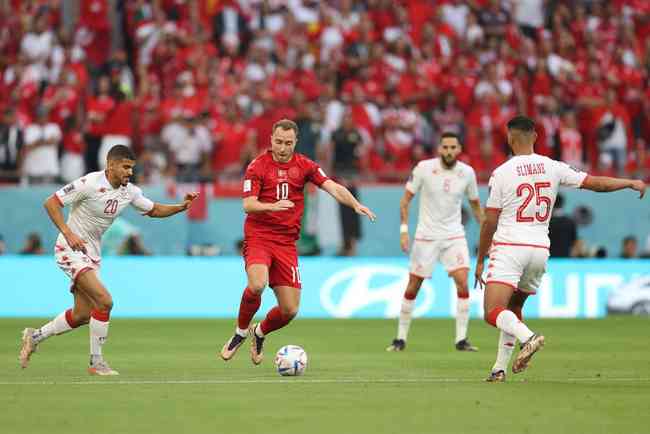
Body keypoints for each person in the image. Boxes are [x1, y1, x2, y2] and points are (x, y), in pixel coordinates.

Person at [475, 116, 646, 383]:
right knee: (514, 308)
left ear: (509, 138)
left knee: (493, 311)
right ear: (535, 137)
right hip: (540, 249)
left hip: (510, 247)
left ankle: (528, 338)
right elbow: (594, 183)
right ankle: (499, 369)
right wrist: (628, 182)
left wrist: (479, 258)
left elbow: (490, 220)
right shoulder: (552, 166)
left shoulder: (502, 173)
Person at [19, 145, 199, 375]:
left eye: (131, 168)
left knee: (82, 314)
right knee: (105, 301)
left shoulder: (129, 191)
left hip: (92, 254)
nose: (129, 172)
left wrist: (181, 207)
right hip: (69, 249)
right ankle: (96, 362)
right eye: (125, 167)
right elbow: (51, 203)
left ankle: (34, 336)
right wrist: (68, 232)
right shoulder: (89, 183)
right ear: (110, 165)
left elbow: (153, 209)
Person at [220, 119, 376, 365]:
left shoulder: (305, 165)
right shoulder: (257, 166)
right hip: (259, 235)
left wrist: (355, 204)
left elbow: (332, 187)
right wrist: (272, 206)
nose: (283, 148)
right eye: (279, 142)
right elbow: (248, 204)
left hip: (286, 243)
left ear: (295, 142)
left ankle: (259, 332)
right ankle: (239, 333)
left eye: (288, 143)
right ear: (271, 140)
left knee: (290, 310)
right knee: (258, 284)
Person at [386, 132, 484, 353]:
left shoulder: (467, 173)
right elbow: (405, 201)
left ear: (459, 149)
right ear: (439, 149)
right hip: (426, 236)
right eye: (445, 147)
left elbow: (476, 206)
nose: (449, 151)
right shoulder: (423, 168)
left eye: (453, 147)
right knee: (414, 286)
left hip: (454, 235)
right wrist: (404, 231)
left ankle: (461, 339)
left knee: (462, 281)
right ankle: (400, 339)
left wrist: (488, 234)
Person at [548, 193, 577, 258]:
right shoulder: (570, 222)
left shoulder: (547, 222)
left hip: (550, 259)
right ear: (562, 204)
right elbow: (574, 241)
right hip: (565, 258)